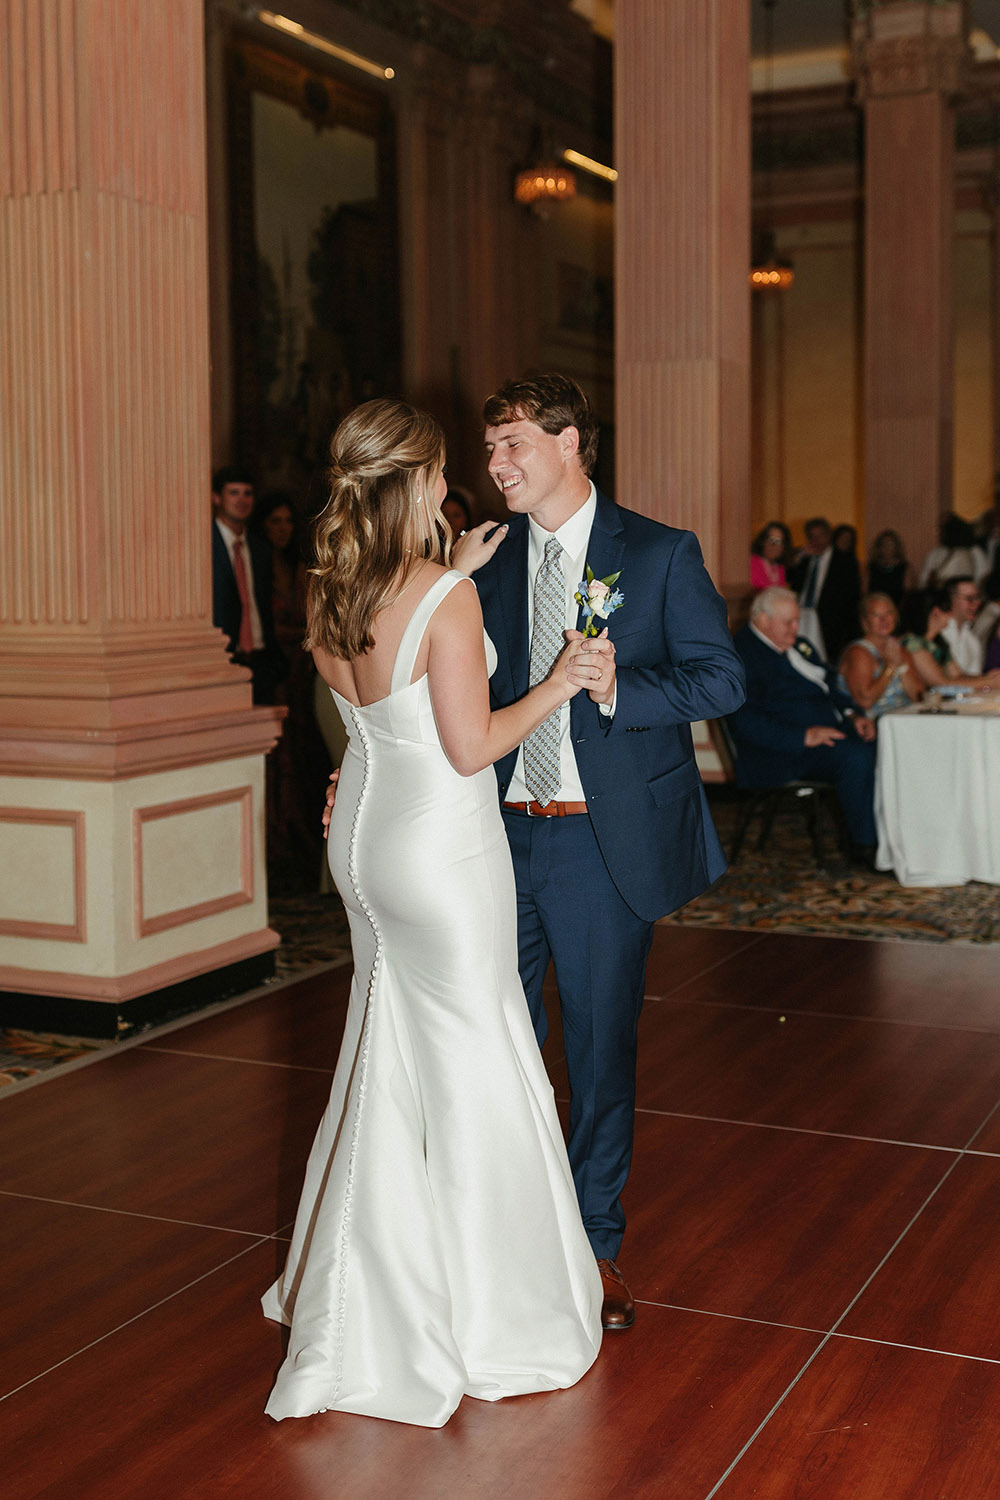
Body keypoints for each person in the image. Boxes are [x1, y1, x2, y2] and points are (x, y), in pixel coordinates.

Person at [263, 398, 603, 1428]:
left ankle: (356, 1291)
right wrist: (560, 681)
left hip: (363, 840)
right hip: (442, 848)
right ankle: (489, 1310)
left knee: (386, 1048)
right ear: (417, 480)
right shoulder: (444, 596)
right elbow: (469, 745)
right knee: (474, 1059)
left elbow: (371, 711)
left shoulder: (328, 583)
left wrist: (448, 565)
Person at [467, 371, 746, 1326]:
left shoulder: (659, 554)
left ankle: (593, 1246)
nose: (495, 465)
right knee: (488, 1044)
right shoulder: (483, 563)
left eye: (513, 446)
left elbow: (721, 680)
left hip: (601, 844)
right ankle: (496, 1236)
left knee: (596, 1054)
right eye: (492, 447)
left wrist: (624, 689)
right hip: (493, 838)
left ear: (572, 441)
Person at [728, 587, 878, 862]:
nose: (796, 628)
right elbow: (745, 722)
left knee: (884, 744)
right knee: (855, 757)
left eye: (797, 621)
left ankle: (895, 841)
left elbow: (830, 683)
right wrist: (804, 736)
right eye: (789, 622)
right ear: (762, 620)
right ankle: (865, 848)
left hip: (827, 733)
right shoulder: (743, 656)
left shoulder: (799, 646)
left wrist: (853, 714)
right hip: (781, 753)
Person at [211, 465, 285, 704]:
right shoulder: (203, 544)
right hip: (222, 659)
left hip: (261, 660)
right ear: (216, 498)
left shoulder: (260, 548)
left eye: (248, 493)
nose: (242, 500)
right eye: (234, 493)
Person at [787, 516, 860, 667]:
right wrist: (799, 558)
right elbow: (792, 582)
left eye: (821, 535)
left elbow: (851, 597)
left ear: (829, 536)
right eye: (812, 537)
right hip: (802, 615)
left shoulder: (845, 561)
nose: (817, 541)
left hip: (830, 622)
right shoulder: (804, 558)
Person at [838, 593, 922, 719]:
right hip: (875, 725)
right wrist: (890, 667)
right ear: (865, 622)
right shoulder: (858, 652)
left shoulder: (900, 650)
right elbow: (865, 701)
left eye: (888, 614)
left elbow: (919, 696)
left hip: (906, 719)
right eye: (876, 615)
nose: (884, 620)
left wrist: (901, 667)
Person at [901, 588, 1000, 691]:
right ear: (936, 612)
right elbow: (940, 683)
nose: (951, 615)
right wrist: (990, 683)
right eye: (948, 609)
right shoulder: (912, 643)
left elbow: (957, 676)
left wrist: (989, 677)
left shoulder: (939, 641)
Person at [918, 513, 989, 590]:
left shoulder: (974, 551)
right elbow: (924, 580)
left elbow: (983, 577)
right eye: (940, 527)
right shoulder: (936, 552)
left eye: (944, 527)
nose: (940, 531)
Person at [866, 529, 910, 606]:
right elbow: (865, 592)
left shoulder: (904, 567)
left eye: (890, 544)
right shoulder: (871, 567)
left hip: (899, 608)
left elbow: (909, 594)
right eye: (884, 544)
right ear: (879, 547)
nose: (887, 548)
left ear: (896, 547)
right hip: (875, 608)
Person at [750, 521, 791, 592]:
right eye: (770, 539)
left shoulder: (780, 568)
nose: (773, 545)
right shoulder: (752, 562)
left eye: (778, 541)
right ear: (762, 542)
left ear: (784, 546)